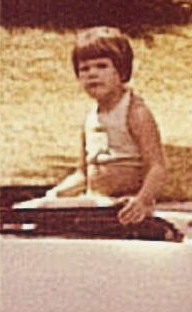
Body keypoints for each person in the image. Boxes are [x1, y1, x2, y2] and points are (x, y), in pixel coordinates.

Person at [44, 26, 167, 225]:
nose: (92, 74)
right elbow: (83, 173)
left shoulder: (135, 113)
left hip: (127, 206)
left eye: (101, 66)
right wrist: (54, 195)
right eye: (85, 69)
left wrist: (142, 201)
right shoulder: (90, 118)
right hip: (97, 203)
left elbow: (157, 167)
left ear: (121, 71)